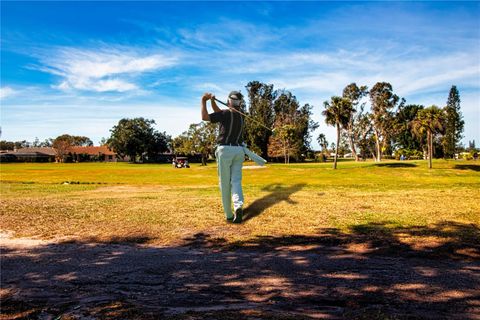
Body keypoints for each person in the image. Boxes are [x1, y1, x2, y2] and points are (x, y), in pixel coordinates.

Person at [201, 91, 245, 223]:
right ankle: (238, 206)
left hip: (225, 150)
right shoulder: (242, 116)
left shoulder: (225, 114)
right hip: (238, 150)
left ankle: (229, 215)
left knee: (225, 184)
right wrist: (213, 101)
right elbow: (220, 113)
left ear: (229, 101)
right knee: (236, 181)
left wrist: (204, 101)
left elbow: (205, 117)